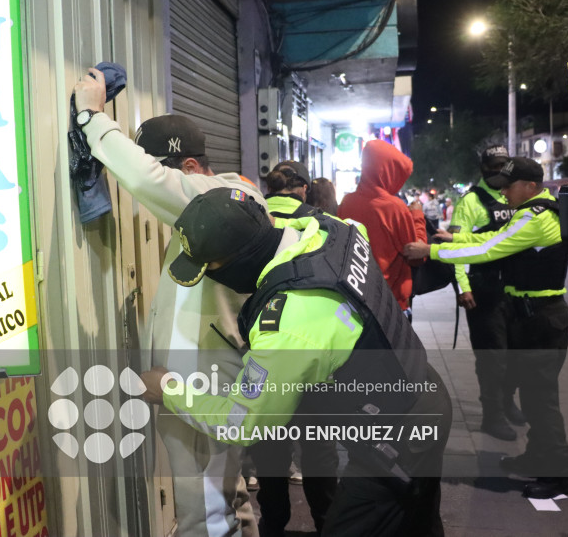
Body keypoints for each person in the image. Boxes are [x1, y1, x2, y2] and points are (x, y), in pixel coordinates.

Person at [142, 187, 452, 536]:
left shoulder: (287, 325)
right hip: (422, 389)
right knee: (417, 522)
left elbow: (243, 422)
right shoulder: (330, 229)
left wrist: (168, 389)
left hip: (397, 439)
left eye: (210, 268)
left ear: (238, 261)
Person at [74, 68, 260, 537]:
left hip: (204, 383)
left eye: (166, 168)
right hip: (198, 379)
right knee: (224, 498)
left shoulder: (219, 198)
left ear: (192, 169)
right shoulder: (221, 207)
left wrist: (92, 116)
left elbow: (146, 178)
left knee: (204, 513)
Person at [404, 157, 568, 499]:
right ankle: (538, 457)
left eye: (508, 186)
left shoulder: (537, 217)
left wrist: (433, 250)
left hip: (542, 318)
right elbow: (495, 235)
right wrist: (452, 237)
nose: (504, 193)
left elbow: (490, 248)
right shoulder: (532, 213)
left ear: (530, 186)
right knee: (531, 395)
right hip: (531, 316)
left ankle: (560, 475)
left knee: (541, 401)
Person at [255, 160, 339, 536]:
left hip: (264, 351)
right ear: (305, 188)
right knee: (320, 449)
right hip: (317, 358)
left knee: (271, 450)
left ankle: (273, 526)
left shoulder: (250, 221)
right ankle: (327, 523)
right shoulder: (330, 227)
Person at [447, 145, 523, 441]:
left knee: (516, 353)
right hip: (483, 289)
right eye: (492, 167)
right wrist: (463, 286)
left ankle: (507, 402)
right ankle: (492, 415)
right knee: (493, 358)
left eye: (502, 166)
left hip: (516, 289)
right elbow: (454, 247)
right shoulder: (471, 201)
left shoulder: (515, 196)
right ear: (483, 169)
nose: (497, 173)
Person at [337, 140, 427, 314]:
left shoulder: (347, 202)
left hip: (355, 296)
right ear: (387, 171)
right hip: (391, 302)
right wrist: (417, 216)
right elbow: (416, 254)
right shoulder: (394, 207)